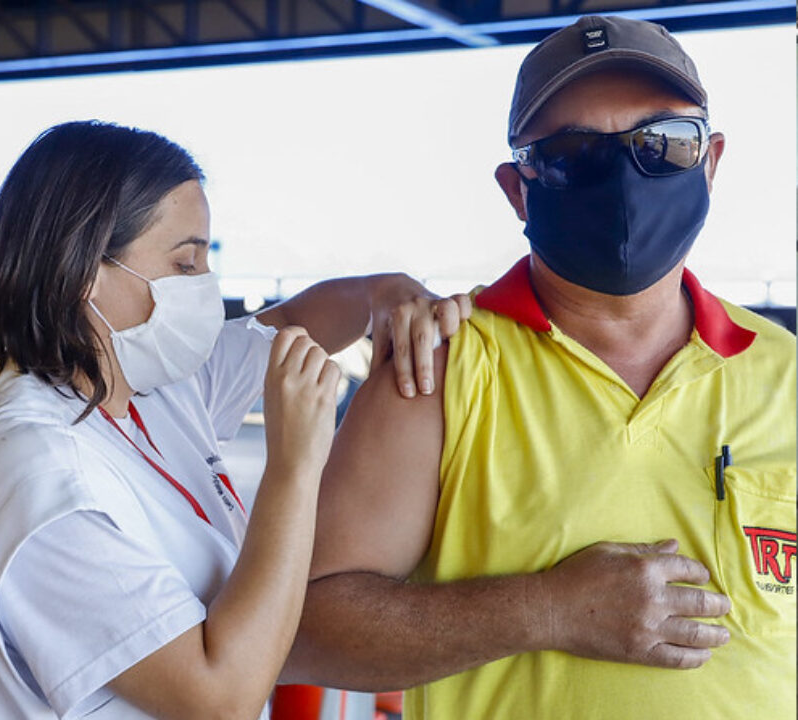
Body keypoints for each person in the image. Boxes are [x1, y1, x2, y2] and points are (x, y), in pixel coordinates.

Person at [290, 14, 796, 719]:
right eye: (574, 152)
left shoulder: (786, 375)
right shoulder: (438, 367)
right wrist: (545, 610)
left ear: (709, 162)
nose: (624, 176)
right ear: (517, 189)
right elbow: (305, 631)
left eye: (663, 142)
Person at [0, 120, 471, 719]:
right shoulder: (42, 482)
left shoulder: (143, 382)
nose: (205, 287)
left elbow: (289, 323)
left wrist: (382, 294)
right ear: (85, 270)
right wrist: (294, 469)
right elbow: (221, 697)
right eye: (186, 263)